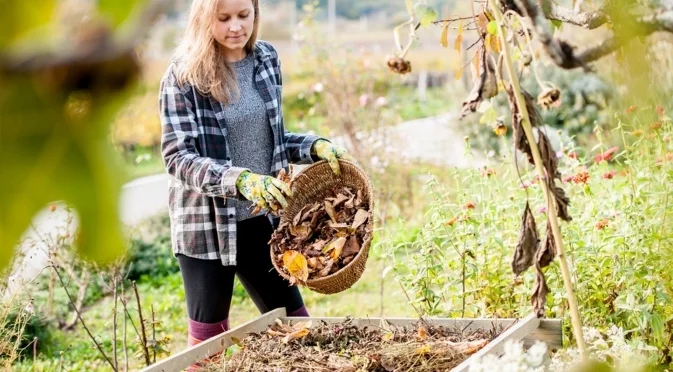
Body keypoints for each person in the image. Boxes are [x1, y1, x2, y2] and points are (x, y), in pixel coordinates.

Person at [158, 0, 354, 364]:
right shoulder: (183, 76)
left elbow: (273, 138)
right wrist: (241, 180)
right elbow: (177, 158)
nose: (236, 26)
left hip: (262, 222)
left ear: (255, 14)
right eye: (225, 18)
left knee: (298, 329)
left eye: (244, 15)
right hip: (208, 230)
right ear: (204, 19)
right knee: (208, 347)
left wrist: (313, 146)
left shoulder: (265, 59)